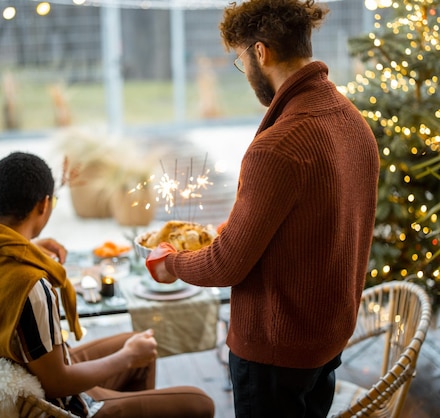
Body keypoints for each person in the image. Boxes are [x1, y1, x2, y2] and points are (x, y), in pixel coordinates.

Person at [146, 1, 380, 417]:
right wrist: (243, 226)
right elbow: (318, 225)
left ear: (260, 52)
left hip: (275, 355)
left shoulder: (277, 147)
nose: (247, 72)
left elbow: (226, 266)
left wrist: (171, 263)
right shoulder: (352, 121)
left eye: (241, 61)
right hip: (325, 342)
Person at [0, 151, 215, 418]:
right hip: (54, 404)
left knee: (138, 343)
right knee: (200, 402)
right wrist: (127, 358)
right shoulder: (31, 286)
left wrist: (27, 248)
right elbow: (56, 383)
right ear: (44, 205)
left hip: (20, 368)